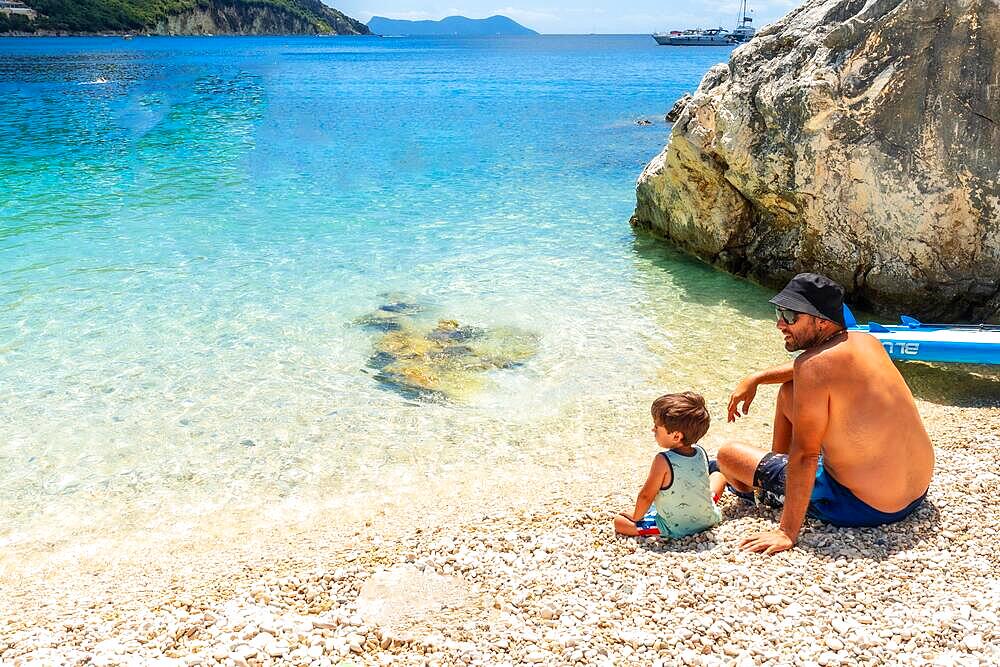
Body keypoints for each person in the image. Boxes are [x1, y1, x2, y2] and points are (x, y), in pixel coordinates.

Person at [717, 273, 934, 555]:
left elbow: (806, 455)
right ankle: (772, 471)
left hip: (863, 505)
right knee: (788, 393)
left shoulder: (813, 368)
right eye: (779, 312)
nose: (780, 323)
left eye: (791, 315)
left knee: (727, 455)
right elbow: (808, 370)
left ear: (821, 321)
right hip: (915, 492)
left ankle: (766, 491)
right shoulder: (867, 342)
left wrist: (786, 532)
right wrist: (757, 378)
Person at [614, 392, 727, 538]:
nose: (652, 429)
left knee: (619, 522)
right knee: (718, 475)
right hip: (708, 518)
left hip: (674, 526)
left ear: (676, 436)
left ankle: (668, 525)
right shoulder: (700, 452)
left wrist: (636, 516)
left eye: (656, 427)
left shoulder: (662, 460)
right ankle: (704, 511)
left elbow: (646, 496)